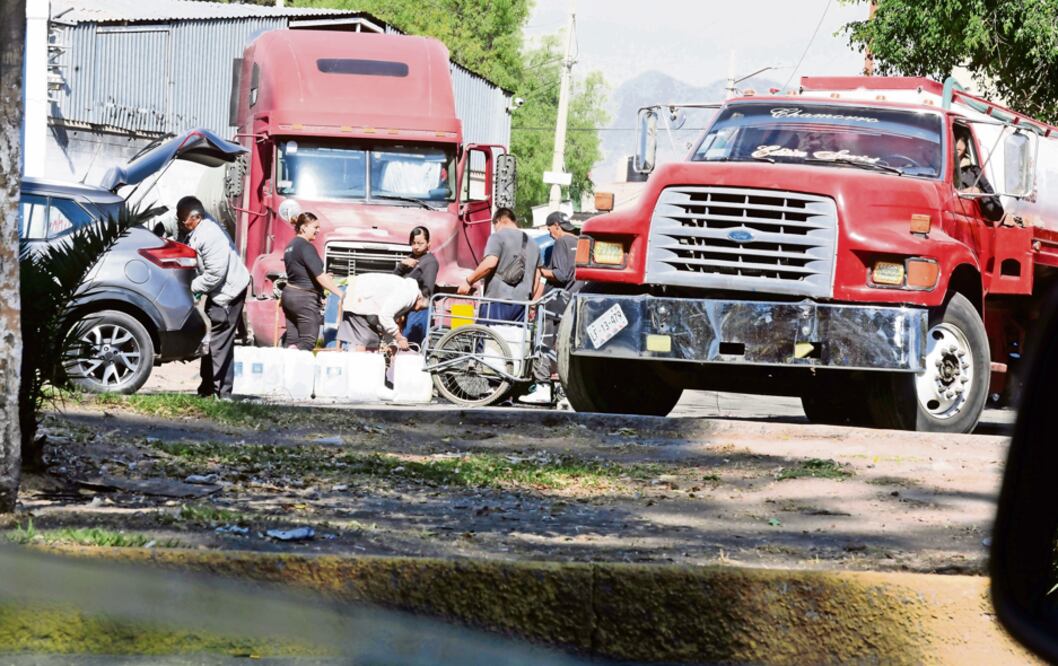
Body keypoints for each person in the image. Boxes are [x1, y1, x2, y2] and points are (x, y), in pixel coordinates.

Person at [178, 196, 250, 399]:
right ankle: (208, 388)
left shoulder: (209, 235)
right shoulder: (199, 227)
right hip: (219, 290)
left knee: (220, 341)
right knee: (212, 341)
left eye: (183, 220)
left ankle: (222, 393)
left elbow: (215, 274)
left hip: (228, 292)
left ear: (196, 217)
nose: (181, 224)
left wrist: (191, 288)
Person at [522, 211, 580, 405]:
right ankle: (565, 392)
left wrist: (540, 270)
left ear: (556, 225)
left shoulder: (562, 242)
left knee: (544, 343)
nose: (550, 234)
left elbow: (561, 274)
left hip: (556, 303)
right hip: (573, 303)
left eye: (549, 230)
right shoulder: (580, 242)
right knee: (566, 348)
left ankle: (542, 387)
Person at [457, 207, 541, 323]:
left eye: (494, 226)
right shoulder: (534, 244)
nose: (495, 229)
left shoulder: (498, 236)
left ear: (499, 221)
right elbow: (537, 276)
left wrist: (468, 281)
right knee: (513, 340)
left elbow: (490, 263)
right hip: (522, 305)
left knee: (487, 338)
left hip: (497, 300)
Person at [281, 212, 344, 351]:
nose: (318, 230)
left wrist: (323, 282)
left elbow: (301, 272)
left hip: (289, 296)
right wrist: (340, 293)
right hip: (304, 299)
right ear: (303, 227)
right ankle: (299, 369)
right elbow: (319, 276)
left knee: (292, 341)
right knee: (307, 341)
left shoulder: (290, 246)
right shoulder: (306, 246)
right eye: (315, 227)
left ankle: (286, 369)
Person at [338, 274, 428, 352]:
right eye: (421, 308)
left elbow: (387, 321)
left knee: (371, 340)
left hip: (359, 295)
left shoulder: (407, 292)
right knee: (365, 340)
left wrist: (392, 344)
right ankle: (360, 369)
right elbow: (385, 316)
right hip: (359, 298)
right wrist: (399, 338)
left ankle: (365, 368)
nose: (417, 311)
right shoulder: (409, 295)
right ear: (420, 297)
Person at [393, 226, 438, 345]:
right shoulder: (410, 258)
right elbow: (393, 279)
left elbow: (427, 288)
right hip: (404, 307)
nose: (416, 247)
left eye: (420, 243)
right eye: (413, 243)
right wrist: (401, 266)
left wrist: (417, 304)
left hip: (418, 309)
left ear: (428, 243)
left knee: (412, 344)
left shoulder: (430, 262)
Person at [955, 132, 1004, 222]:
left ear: (965, 148)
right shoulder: (932, 169)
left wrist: (979, 193)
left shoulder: (974, 172)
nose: (953, 151)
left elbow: (997, 212)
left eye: (958, 150)